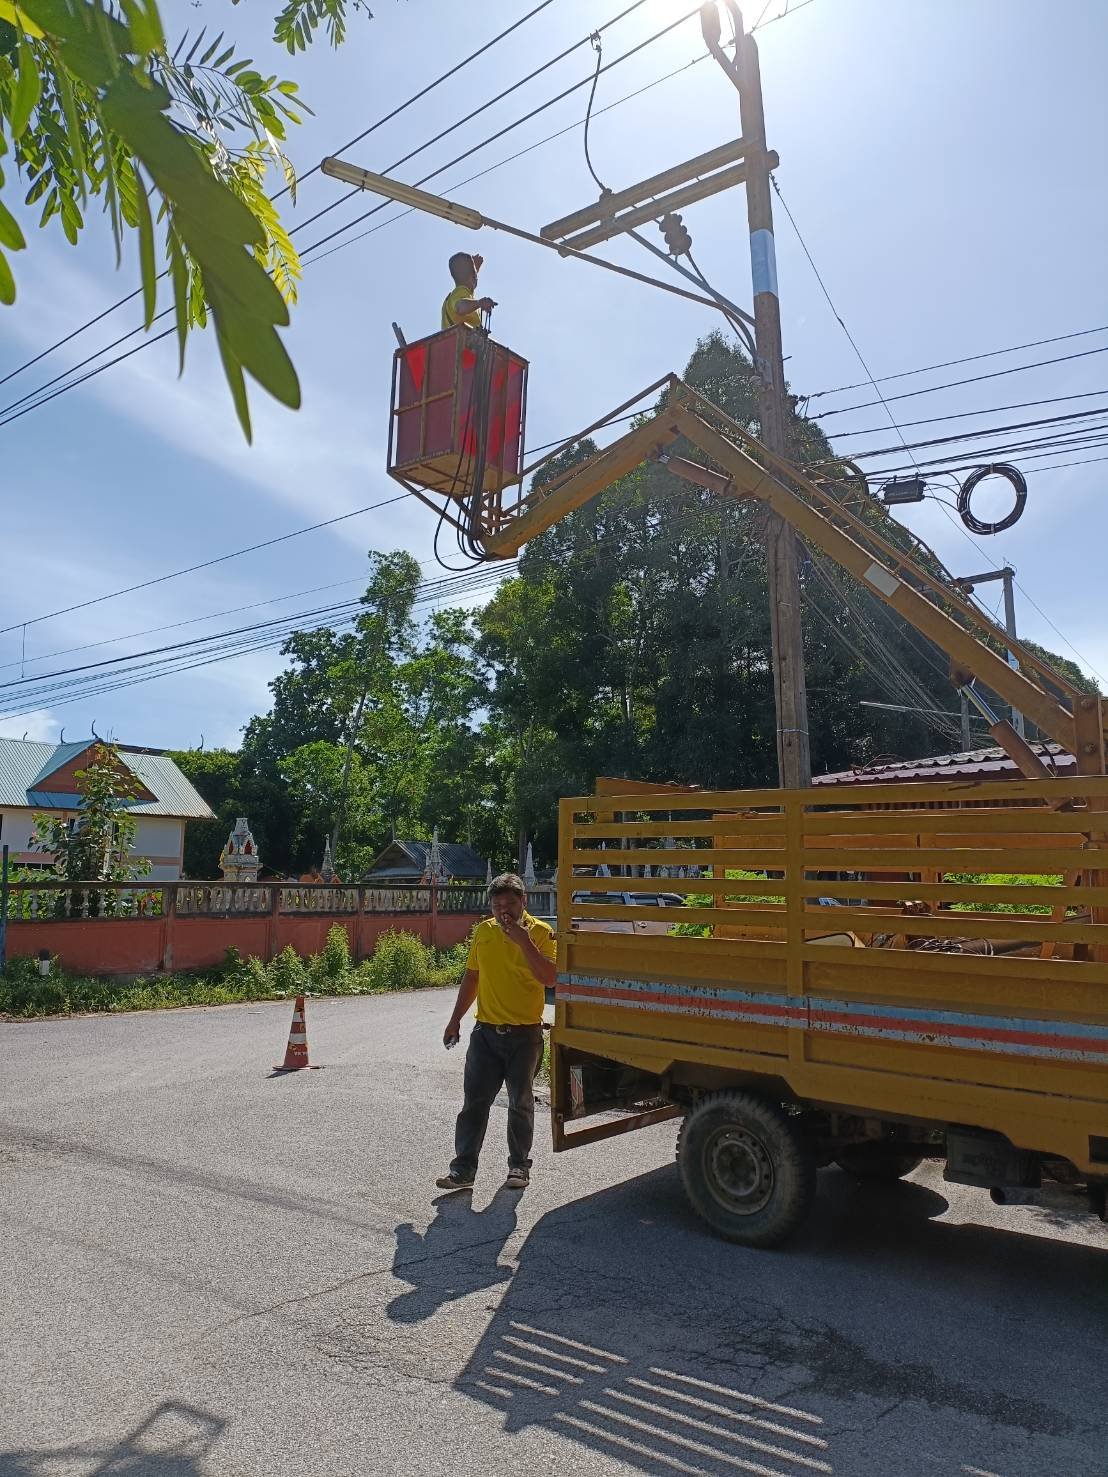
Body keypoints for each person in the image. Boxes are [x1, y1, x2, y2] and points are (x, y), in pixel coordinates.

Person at [437, 872, 556, 1193]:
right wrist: (454, 1019)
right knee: (474, 1103)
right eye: (497, 904)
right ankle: (463, 1169)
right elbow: (472, 977)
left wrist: (523, 941)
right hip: (485, 1034)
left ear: (524, 902)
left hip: (525, 1035)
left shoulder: (542, 933)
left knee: (520, 1103)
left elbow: (550, 978)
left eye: (510, 904)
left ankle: (519, 1166)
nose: (504, 911)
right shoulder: (483, 933)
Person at [441, 251, 496, 331]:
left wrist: (473, 269)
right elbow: (460, 307)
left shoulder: (452, 297)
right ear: (473, 276)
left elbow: (468, 279)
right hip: (461, 342)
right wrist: (480, 303)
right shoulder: (461, 291)